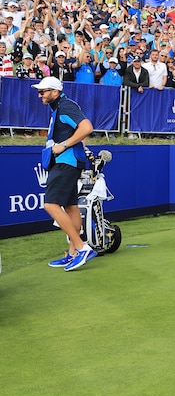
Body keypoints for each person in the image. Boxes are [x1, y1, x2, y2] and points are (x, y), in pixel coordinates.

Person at [35, 76, 97, 272]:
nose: (40, 95)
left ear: (55, 92)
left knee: (50, 204)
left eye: (43, 91)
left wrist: (63, 145)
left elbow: (87, 128)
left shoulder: (65, 105)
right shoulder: (59, 107)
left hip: (66, 162)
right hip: (69, 161)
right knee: (71, 207)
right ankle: (72, 253)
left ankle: (81, 248)